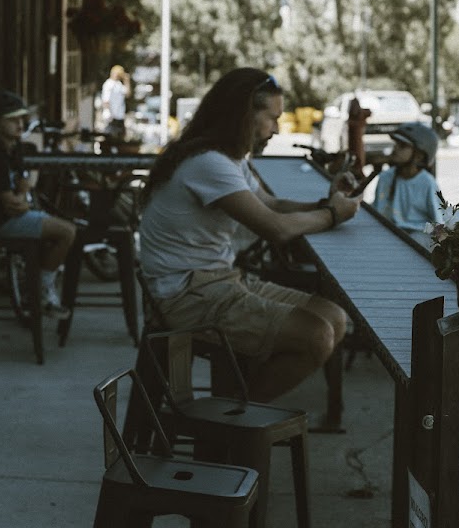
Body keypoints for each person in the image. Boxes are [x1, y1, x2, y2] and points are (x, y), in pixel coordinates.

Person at [138, 68, 361, 403]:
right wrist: (332, 215)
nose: (277, 128)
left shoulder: (227, 158)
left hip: (215, 280)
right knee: (315, 336)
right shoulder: (208, 163)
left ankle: (235, 402)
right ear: (244, 114)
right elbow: (275, 228)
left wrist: (326, 203)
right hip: (185, 295)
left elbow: (272, 204)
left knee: (334, 318)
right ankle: (231, 418)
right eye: (272, 118)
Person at [0, 90, 76, 318]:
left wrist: (23, 193)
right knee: (67, 232)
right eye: (12, 120)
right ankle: (42, 291)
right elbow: (13, 205)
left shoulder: (12, 150)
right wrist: (24, 194)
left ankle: (32, 287)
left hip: (11, 219)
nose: (20, 124)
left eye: (21, 118)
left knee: (60, 227)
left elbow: (19, 188)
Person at [372, 122, 443, 234]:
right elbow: (377, 214)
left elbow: (439, 223)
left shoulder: (427, 183)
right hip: (387, 236)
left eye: (403, 146)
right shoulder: (385, 177)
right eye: (396, 144)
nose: (395, 149)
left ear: (419, 156)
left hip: (417, 239)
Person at [100, 64, 130, 140]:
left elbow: (127, 93)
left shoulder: (118, 84)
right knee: (110, 138)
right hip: (111, 117)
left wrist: (126, 81)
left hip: (119, 116)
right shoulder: (108, 84)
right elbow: (106, 100)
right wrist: (107, 111)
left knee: (120, 139)